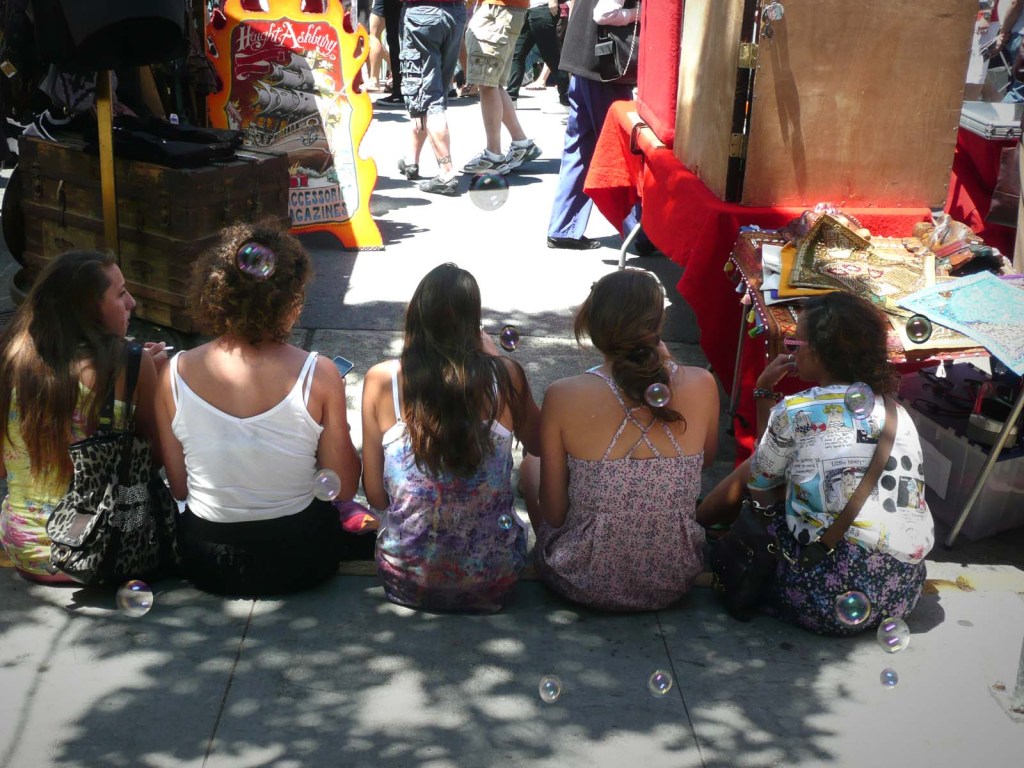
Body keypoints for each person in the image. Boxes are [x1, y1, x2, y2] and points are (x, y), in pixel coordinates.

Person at [697, 292, 935, 636]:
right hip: (900, 592)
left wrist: (764, 393)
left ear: (819, 351)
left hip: (824, 595)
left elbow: (761, 487)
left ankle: (692, 525)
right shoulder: (897, 413)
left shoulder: (797, 410)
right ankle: (695, 521)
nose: (792, 349)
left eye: (797, 341)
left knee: (758, 476)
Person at [155, 223, 362, 596]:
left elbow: (181, 485)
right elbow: (343, 487)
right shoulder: (319, 374)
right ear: (290, 304)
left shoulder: (175, 373)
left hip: (206, 560)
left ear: (214, 293)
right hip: (301, 557)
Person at [521, 269, 719, 611]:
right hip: (674, 574)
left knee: (530, 465)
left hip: (582, 578)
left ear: (595, 328)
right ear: (658, 325)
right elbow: (709, 458)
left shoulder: (563, 393)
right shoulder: (703, 383)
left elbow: (553, 512)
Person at [361, 263, 541, 612]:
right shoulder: (505, 376)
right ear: (473, 325)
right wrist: (495, 359)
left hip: (405, 580)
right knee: (534, 465)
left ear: (414, 316)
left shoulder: (382, 379)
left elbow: (374, 494)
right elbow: (537, 444)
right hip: (494, 580)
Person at [0, 250, 166, 582]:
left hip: (25, 548)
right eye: (120, 294)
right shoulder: (131, 364)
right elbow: (153, 461)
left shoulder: (11, 358)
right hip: (105, 551)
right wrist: (145, 376)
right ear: (88, 310)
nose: (132, 302)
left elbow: (3, 467)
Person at [547, 0, 638, 249]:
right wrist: (637, 14)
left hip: (584, 61)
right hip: (602, 69)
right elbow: (604, 13)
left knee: (579, 149)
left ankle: (564, 227)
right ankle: (638, 232)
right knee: (621, 151)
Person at [395, 0, 469, 195]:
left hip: (423, 13)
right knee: (433, 90)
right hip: (455, 13)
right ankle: (412, 160)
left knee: (428, 96)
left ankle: (446, 172)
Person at [461, 0, 543, 176]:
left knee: (488, 84)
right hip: (503, 12)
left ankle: (494, 156)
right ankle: (521, 143)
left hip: (497, 12)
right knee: (493, 83)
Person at [506, 0, 569, 109]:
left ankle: (567, 100)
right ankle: (510, 98)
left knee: (552, 57)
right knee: (517, 54)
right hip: (527, 10)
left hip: (543, 9)